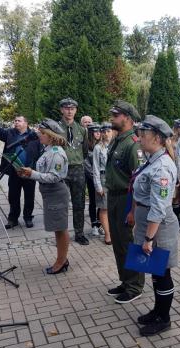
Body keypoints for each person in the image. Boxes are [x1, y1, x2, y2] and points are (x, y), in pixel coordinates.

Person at [129, 115, 179, 336]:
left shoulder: (161, 167)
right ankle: (157, 312)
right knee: (155, 272)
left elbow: (158, 207)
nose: (140, 137)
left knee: (162, 273)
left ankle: (164, 318)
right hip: (149, 223)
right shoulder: (153, 160)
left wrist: (149, 239)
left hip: (158, 227)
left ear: (157, 138)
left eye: (144, 134)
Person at [106, 100, 145, 304]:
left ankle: (135, 286)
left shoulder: (133, 144)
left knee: (129, 243)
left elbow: (137, 181)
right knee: (119, 244)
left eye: (116, 115)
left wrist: (133, 210)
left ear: (127, 119)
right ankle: (125, 280)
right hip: (113, 197)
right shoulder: (117, 140)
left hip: (126, 199)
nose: (112, 118)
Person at [18, 119, 69, 274]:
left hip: (56, 194)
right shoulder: (48, 149)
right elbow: (44, 171)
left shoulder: (57, 154)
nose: (39, 135)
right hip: (50, 194)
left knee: (60, 229)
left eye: (42, 133)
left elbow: (54, 177)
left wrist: (32, 174)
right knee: (58, 229)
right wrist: (29, 173)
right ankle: (62, 259)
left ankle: (61, 261)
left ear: (50, 135)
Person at [0, 115, 41, 229]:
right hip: (14, 171)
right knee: (13, 195)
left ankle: (28, 217)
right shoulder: (10, 133)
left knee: (29, 196)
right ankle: (13, 219)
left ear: (26, 123)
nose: (16, 122)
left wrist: (34, 169)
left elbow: (39, 153)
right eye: (15, 121)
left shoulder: (34, 136)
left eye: (19, 121)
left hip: (29, 171)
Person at [57, 98, 89, 245]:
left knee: (79, 203)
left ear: (76, 110)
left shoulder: (82, 130)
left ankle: (79, 233)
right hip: (61, 169)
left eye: (72, 108)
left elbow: (84, 151)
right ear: (61, 110)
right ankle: (60, 235)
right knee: (60, 204)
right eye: (66, 108)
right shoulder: (55, 128)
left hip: (77, 169)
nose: (69, 111)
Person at [92, 123, 113, 245]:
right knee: (104, 208)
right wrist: (98, 185)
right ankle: (108, 234)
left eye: (108, 131)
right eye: (104, 131)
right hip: (103, 177)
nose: (106, 133)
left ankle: (114, 231)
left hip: (115, 179)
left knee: (114, 207)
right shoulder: (98, 148)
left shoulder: (116, 145)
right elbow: (95, 167)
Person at [85, 123, 102, 236]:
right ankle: (94, 224)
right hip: (91, 178)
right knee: (93, 201)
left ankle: (101, 224)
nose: (98, 133)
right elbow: (86, 164)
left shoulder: (102, 145)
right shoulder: (87, 146)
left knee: (102, 203)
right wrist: (95, 177)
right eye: (95, 132)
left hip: (102, 178)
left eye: (99, 131)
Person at [171, 119, 180, 222]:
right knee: (175, 195)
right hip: (175, 168)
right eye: (178, 127)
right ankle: (175, 218)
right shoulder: (171, 140)